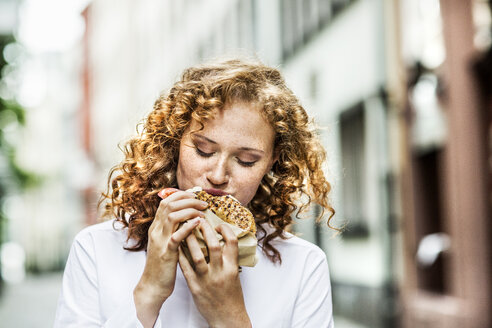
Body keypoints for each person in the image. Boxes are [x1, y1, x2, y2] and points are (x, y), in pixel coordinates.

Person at [54, 58, 336, 327]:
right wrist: (148, 291)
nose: (217, 175)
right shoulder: (97, 249)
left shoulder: (302, 267)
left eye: (247, 160)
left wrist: (230, 317)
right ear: (176, 141)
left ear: (272, 161)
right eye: (203, 150)